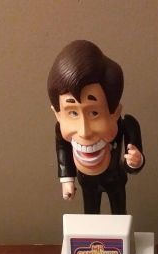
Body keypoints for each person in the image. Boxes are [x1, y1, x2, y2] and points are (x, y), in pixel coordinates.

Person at [47, 40, 145, 214]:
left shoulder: (127, 125)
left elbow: (131, 163)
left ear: (115, 112)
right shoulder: (60, 131)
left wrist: (135, 162)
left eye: (94, 113)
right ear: (58, 115)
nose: (84, 132)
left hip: (115, 180)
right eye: (73, 113)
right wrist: (67, 179)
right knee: (90, 215)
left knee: (119, 214)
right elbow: (63, 151)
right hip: (87, 182)